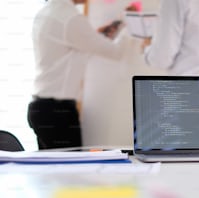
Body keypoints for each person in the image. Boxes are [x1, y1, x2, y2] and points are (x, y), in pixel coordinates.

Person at [27, 0, 128, 149]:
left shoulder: (46, 12)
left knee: (52, 170)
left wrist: (97, 36)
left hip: (40, 108)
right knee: (70, 170)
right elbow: (116, 52)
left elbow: (69, 51)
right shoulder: (71, 18)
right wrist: (129, 23)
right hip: (57, 113)